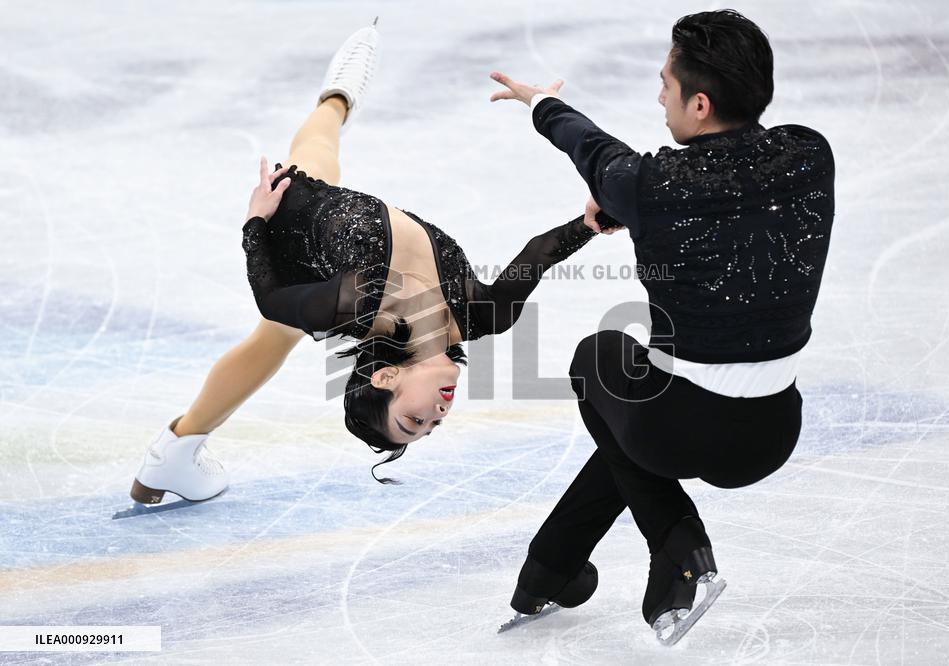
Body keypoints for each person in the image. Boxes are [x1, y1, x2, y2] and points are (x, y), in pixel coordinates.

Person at [127, 20, 620, 509]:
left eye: (414, 419)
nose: (436, 414)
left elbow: (272, 300)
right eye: (432, 425)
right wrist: (592, 223)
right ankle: (176, 452)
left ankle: (337, 96)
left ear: (386, 379)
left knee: (311, 175)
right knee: (270, 339)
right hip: (344, 228)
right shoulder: (483, 315)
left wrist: (254, 224)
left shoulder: (360, 305)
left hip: (291, 223)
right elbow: (538, 255)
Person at [489, 9, 835, 643]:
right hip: (773, 432)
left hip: (680, 429)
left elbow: (591, 150)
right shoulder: (809, 154)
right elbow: (727, 199)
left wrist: (539, 101)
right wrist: (638, 206)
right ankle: (549, 570)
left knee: (599, 357)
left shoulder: (653, 184)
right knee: (626, 432)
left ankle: (678, 549)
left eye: (666, 85)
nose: (659, 95)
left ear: (699, 104)